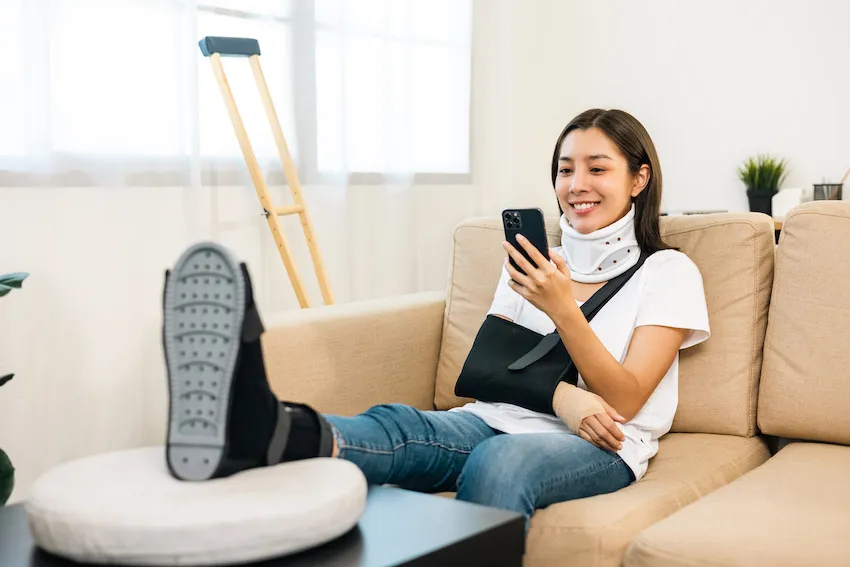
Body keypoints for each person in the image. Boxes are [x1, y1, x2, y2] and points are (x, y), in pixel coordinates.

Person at [161, 108, 710, 524]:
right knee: (399, 427)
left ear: (638, 180)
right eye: (565, 170)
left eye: (597, 168)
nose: (576, 185)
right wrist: (563, 395)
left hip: (604, 446)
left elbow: (627, 399)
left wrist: (563, 310)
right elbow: (487, 372)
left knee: (501, 463)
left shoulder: (667, 272)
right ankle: (269, 428)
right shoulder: (536, 259)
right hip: (496, 416)